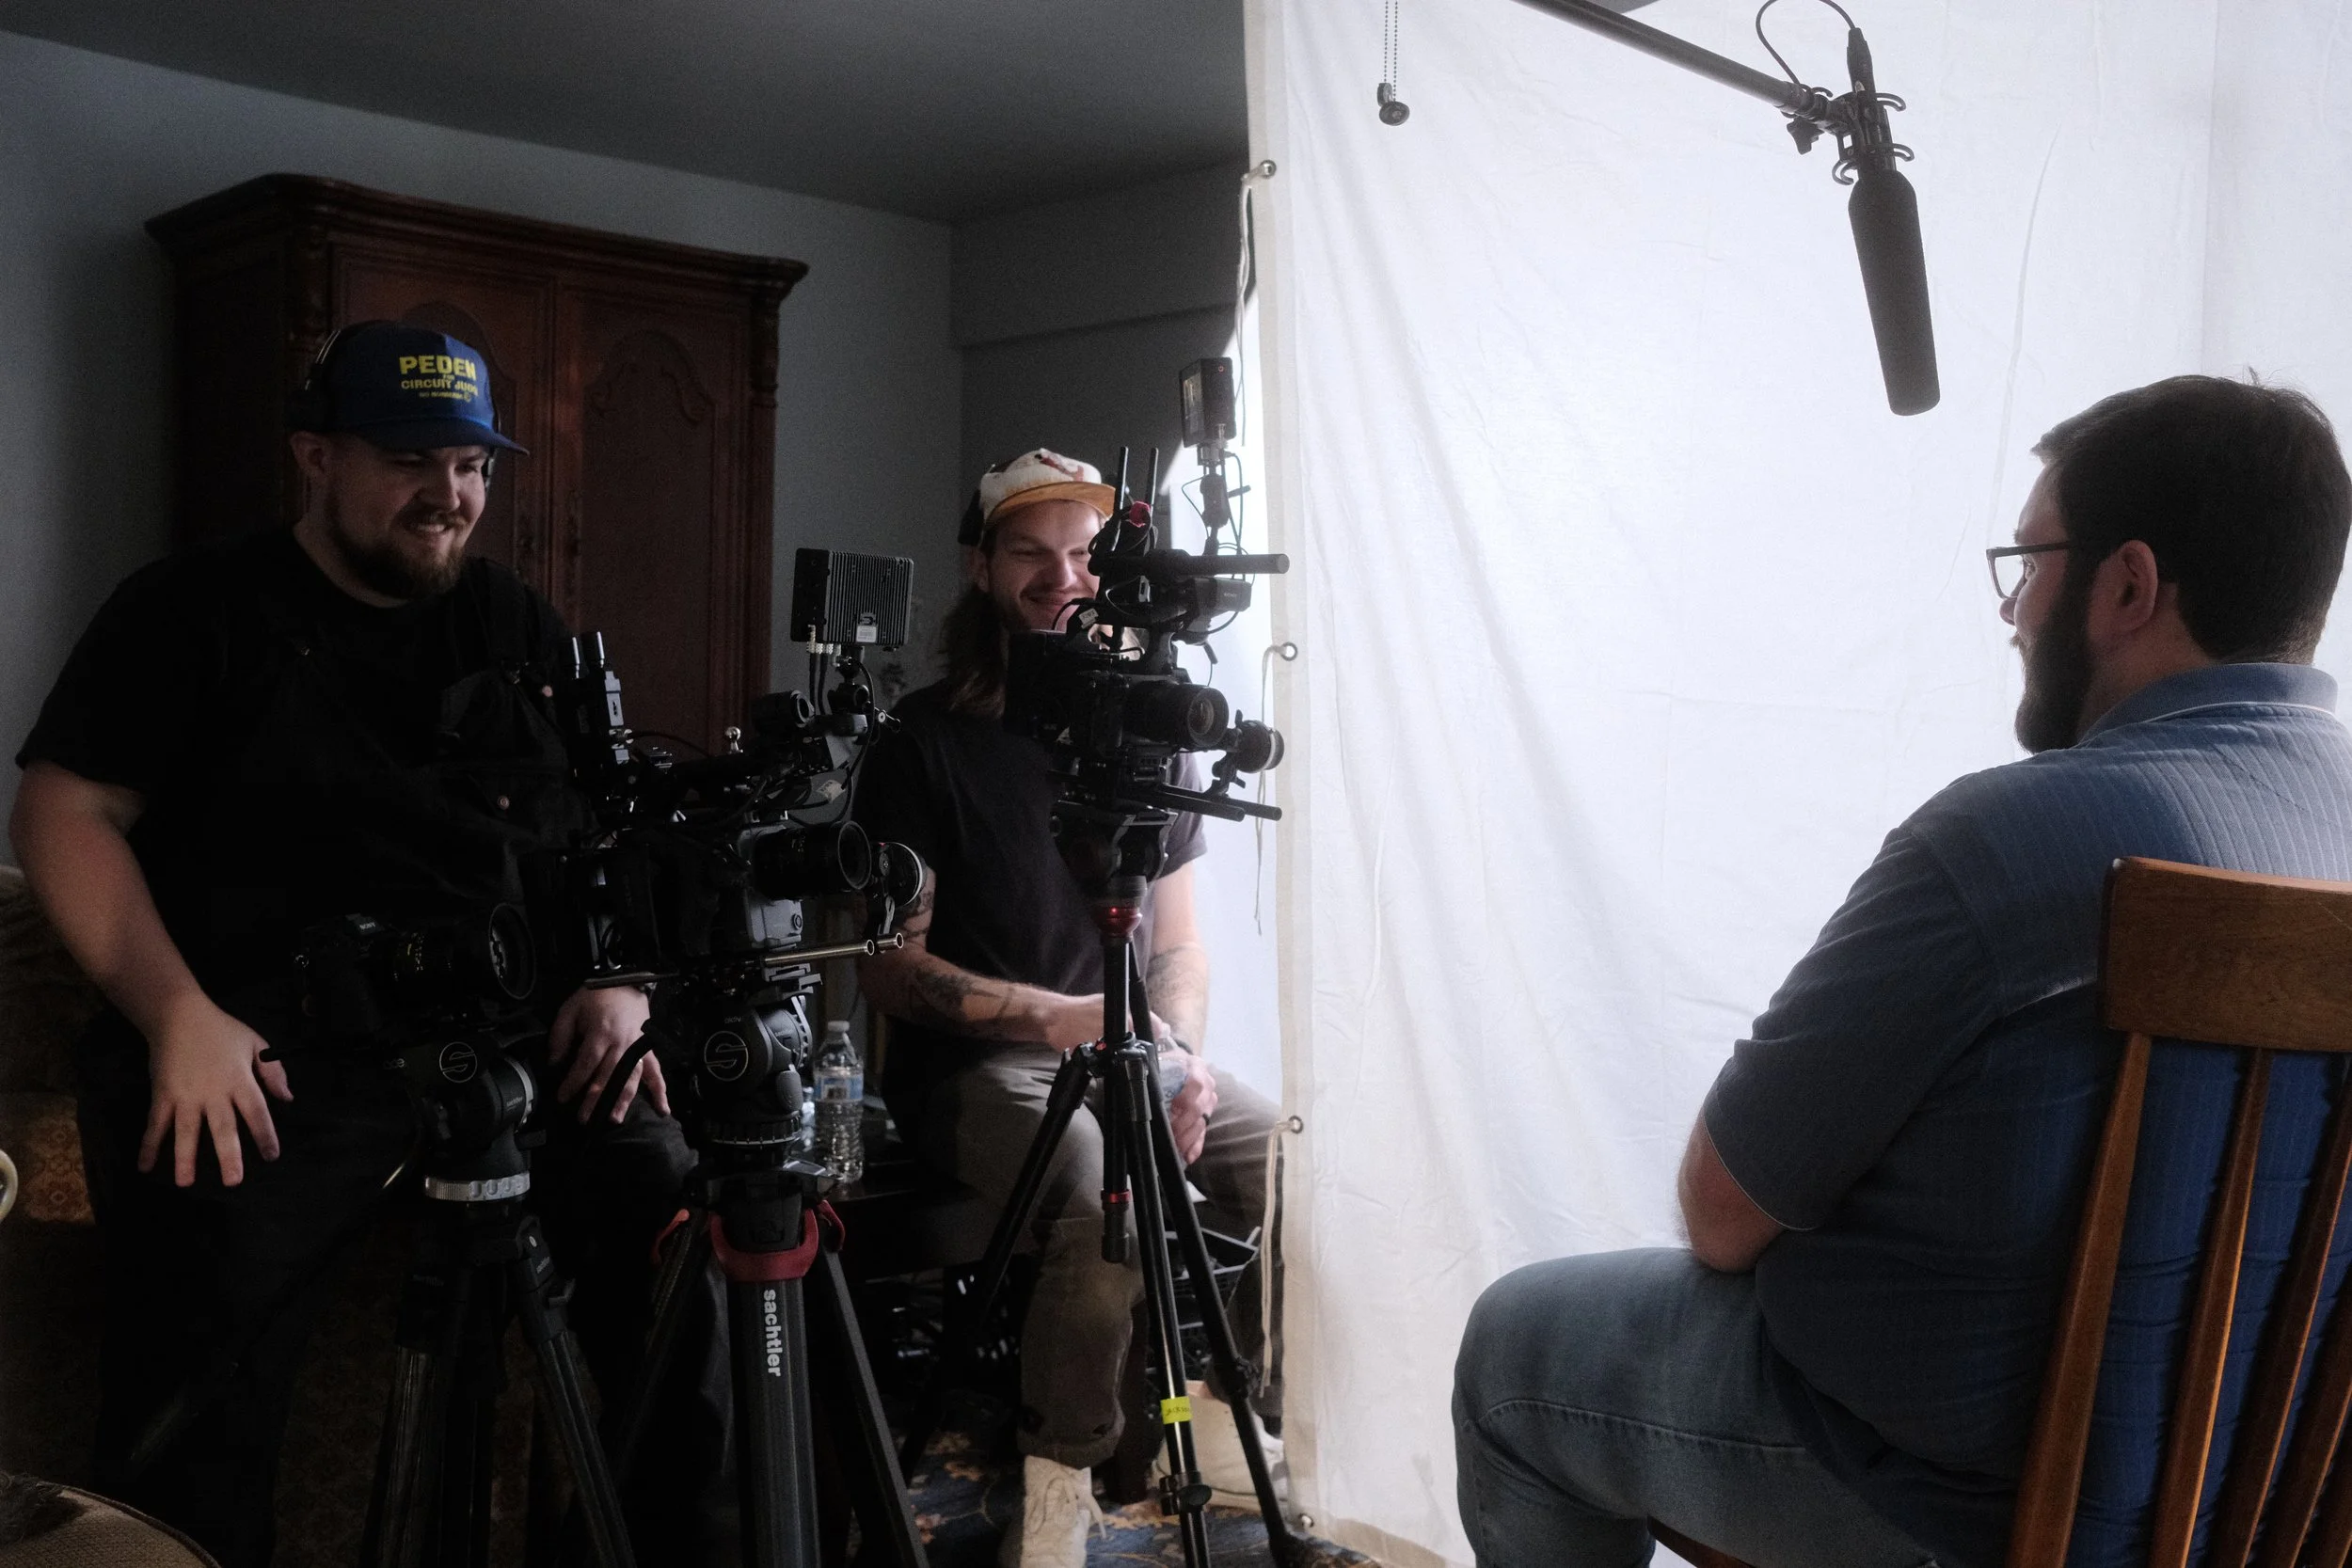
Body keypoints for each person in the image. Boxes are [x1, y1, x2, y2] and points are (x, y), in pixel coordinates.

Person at [1452, 375, 2352, 1568]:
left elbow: (1726, 1213)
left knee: (1515, 1347)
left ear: (2128, 584)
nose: (2013, 610)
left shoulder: (2009, 842)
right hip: (2274, 1497)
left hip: (1963, 1509)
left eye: (2029, 563)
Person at [9, 322, 728, 1568]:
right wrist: (175, 1013)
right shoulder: (189, 610)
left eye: (471, 464)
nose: (448, 494)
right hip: (263, 1035)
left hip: (492, 1028)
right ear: (315, 455)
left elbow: (596, 818)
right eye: (409, 458)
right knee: (196, 1347)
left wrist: (615, 976)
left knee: (669, 1211)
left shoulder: (511, 616)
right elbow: (66, 810)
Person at [855, 450, 1283, 1568]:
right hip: (975, 1069)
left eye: (1084, 554)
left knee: (1297, 1168)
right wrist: (1069, 1021)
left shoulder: (1143, 735)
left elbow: (1178, 941)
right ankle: (1062, 1483)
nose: (1063, 578)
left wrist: (1174, 1045)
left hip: (1134, 1046)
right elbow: (890, 970)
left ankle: (1214, 1414)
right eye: (1031, 553)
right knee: (1113, 1204)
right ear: (981, 565)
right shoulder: (922, 744)